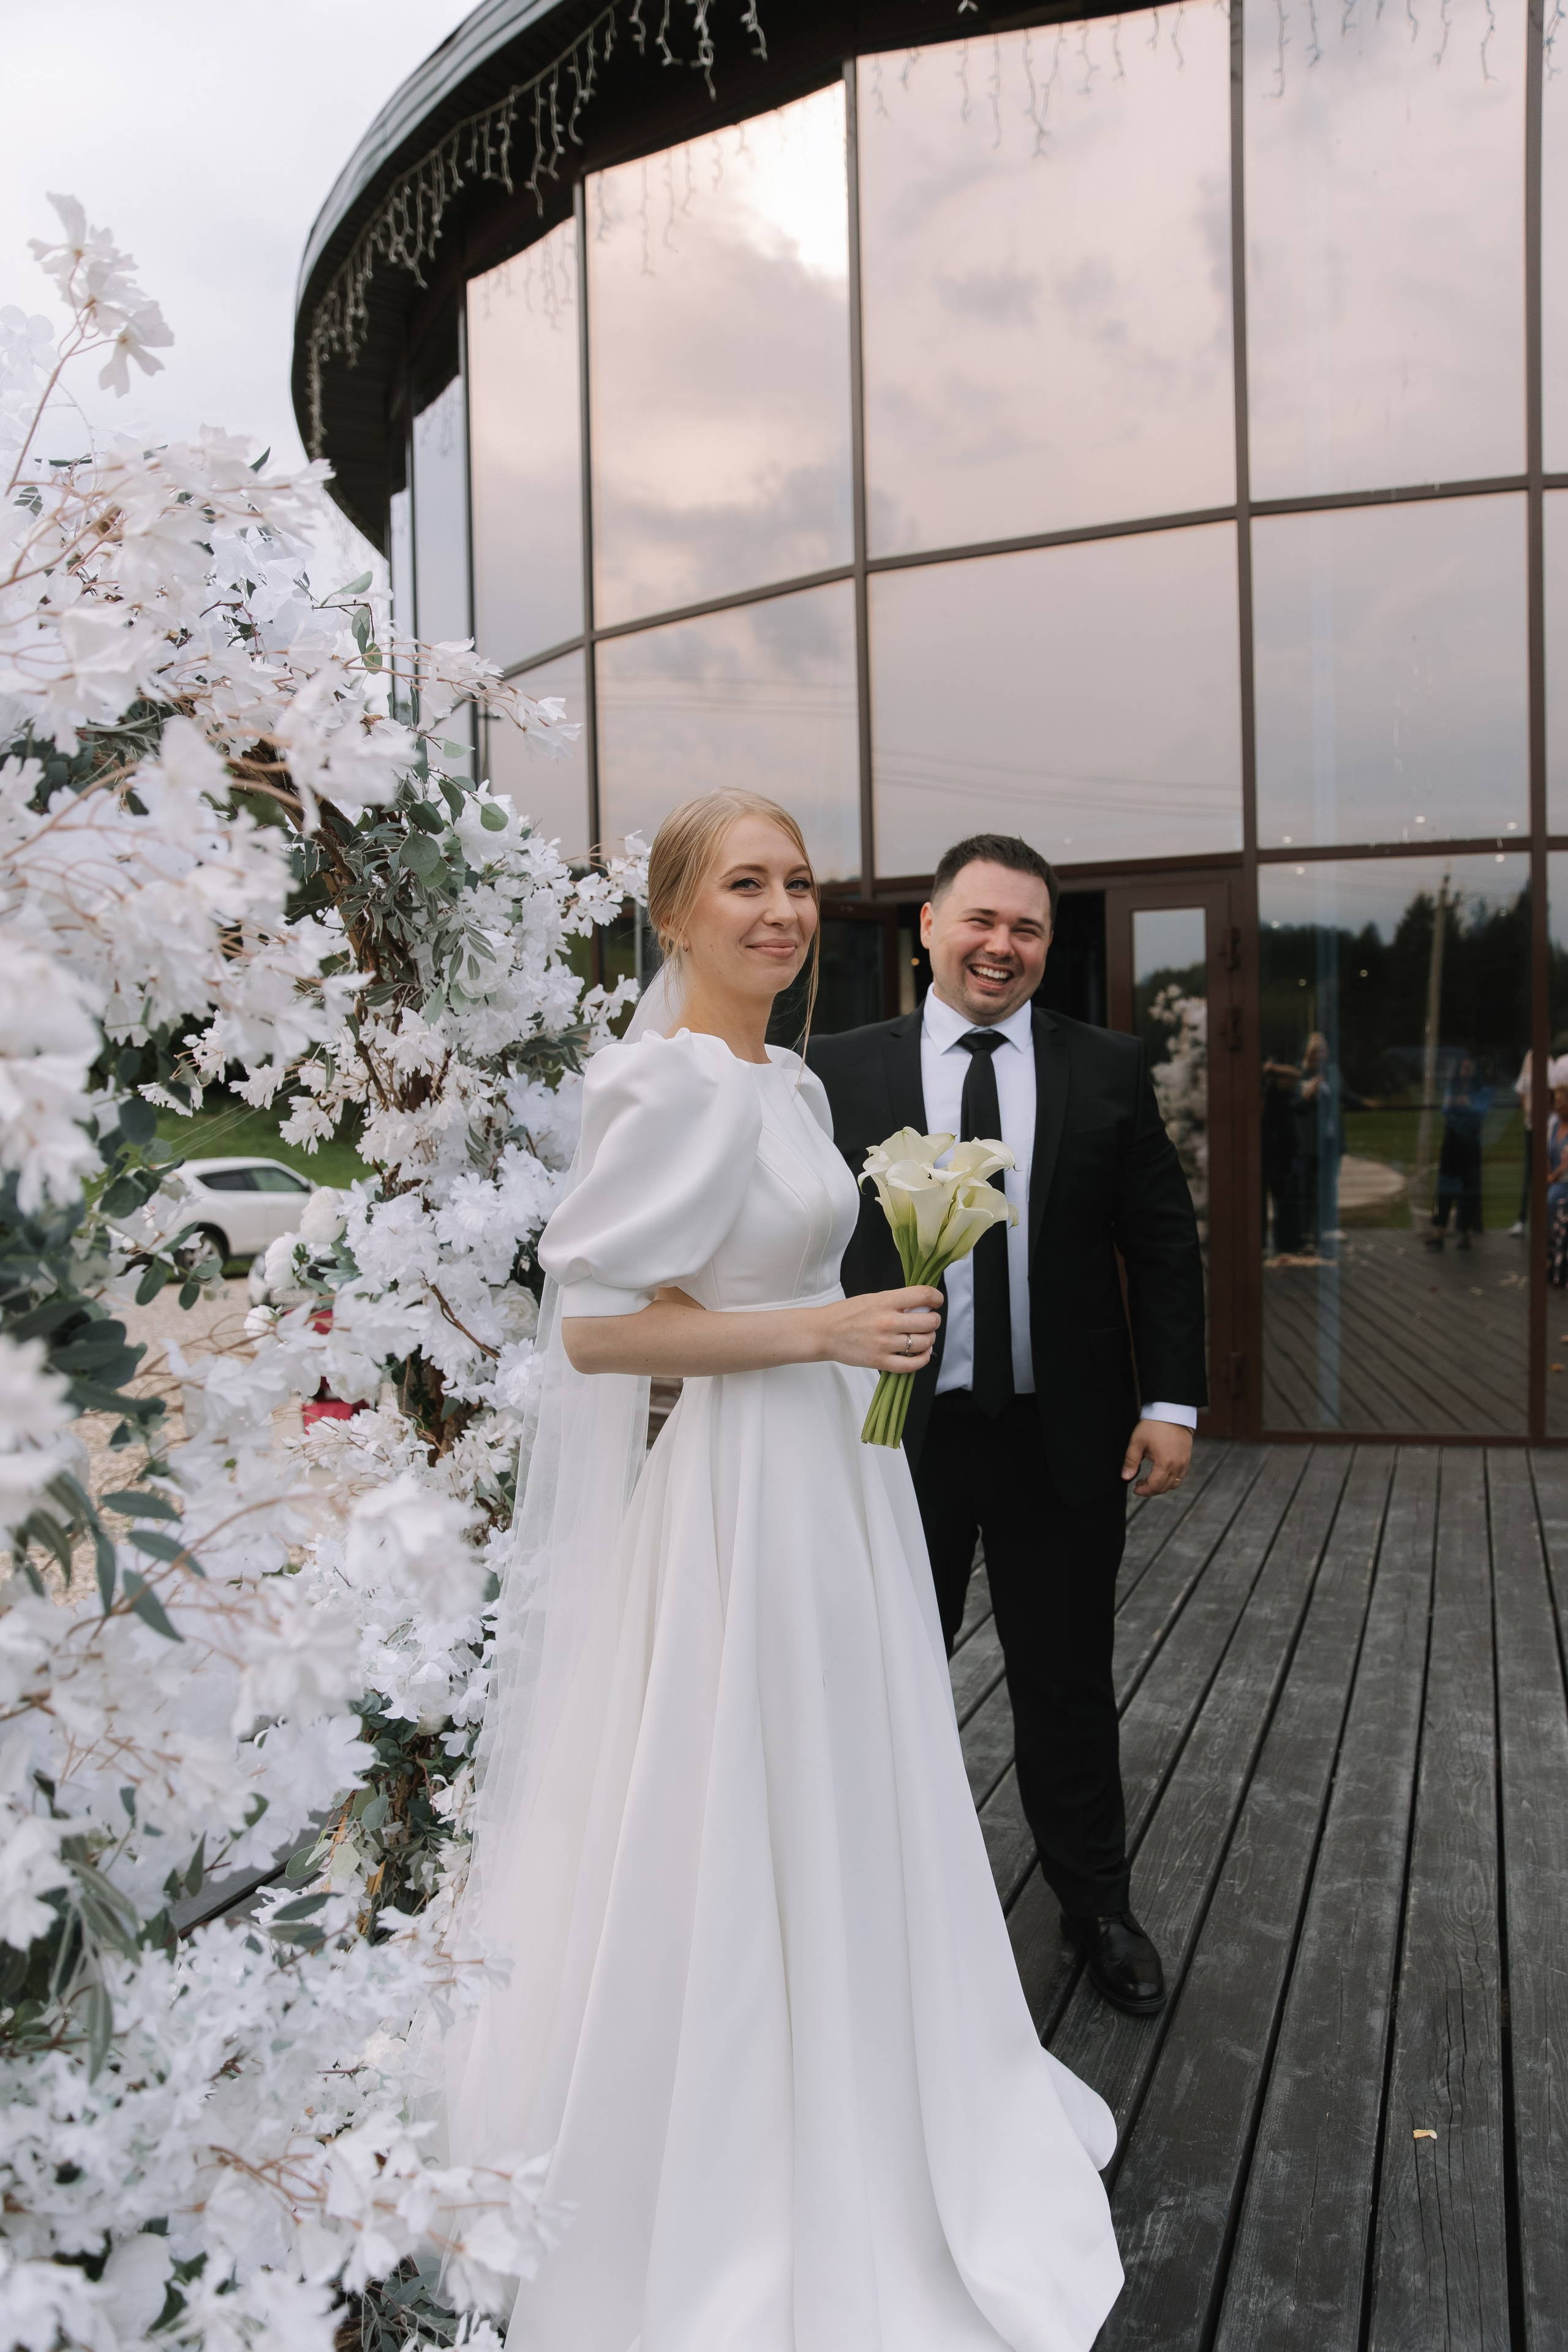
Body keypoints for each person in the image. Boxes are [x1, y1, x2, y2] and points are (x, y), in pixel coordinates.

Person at [443, 791, 1123, 2350]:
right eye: (743, 884)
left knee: (845, 1771)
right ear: (674, 915)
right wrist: (821, 1328)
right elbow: (599, 1326)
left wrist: (859, 1327)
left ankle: (872, 2073)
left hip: (836, 1479)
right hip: (741, 1492)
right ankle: (735, 2138)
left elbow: (794, 1264)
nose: (781, 909)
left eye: (799, 882)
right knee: (726, 1783)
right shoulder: (664, 1085)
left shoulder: (792, 1084)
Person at [808, 835, 1206, 2021]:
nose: (1001, 946)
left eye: (1026, 929)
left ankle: (1093, 1906)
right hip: (889, 1444)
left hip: (1061, 1439)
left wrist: (1170, 1404)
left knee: (1066, 1685)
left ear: (1046, 944)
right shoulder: (832, 1070)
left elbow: (1162, 1242)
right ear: (926, 927)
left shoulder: (1106, 1066)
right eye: (979, 920)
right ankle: (875, 1912)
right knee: (881, 1678)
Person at [1426, 1050, 1490, 1252]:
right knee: (1445, 1186)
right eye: (1463, 1067)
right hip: (1452, 1142)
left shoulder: (1481, 1090)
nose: (1465, 1071)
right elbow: (1446, 1110)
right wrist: (1458, 1105)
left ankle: (1465, 1233)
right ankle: (1439, 1229)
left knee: (1468, 1190)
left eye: (1469, 1068)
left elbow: (1479, 1113)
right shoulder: (1452, 1087)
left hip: (1470, 1143)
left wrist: (1464, 1105)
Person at [1261, 1058, 1305, 1256]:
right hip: (1268, 1152)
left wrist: (1273, 1067)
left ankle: (1286, 1242)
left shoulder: (1279, 1094)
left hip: (1280, 1153)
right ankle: (1264, 1242)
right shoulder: (1267, 1094)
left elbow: (1296, 1074)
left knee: (1284, 1199)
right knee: (1263, 1201)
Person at [1547, 1081, 1568, 1289]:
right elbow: (1547, 1157)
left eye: (1562, 1102)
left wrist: (1559, 1172)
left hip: (1565, 1183)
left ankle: (1559, 1263)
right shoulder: (1553, 1127)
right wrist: (1551, 1175)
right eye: (1556, 1102)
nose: (1558, 1105)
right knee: (1550, 1196)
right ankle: (1552, 1259)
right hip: (1555, 1181)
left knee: (1555, 1199)